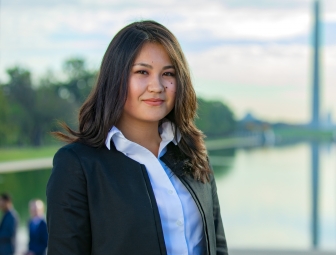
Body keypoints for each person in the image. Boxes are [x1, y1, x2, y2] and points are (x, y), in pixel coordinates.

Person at [47, 20, 227, 255]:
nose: (157, 86)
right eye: (142, 72)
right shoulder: (77, 165)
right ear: (116, 77)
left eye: (168, 73)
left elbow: (218, 245)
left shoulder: (194, 154)